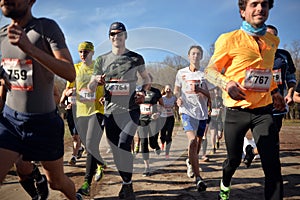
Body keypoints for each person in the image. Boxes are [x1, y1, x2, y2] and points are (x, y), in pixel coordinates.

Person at [0, 0, 82, 199]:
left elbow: (70, 73)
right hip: (11, 121)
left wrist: (30, 49)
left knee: (57, 182)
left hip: (44, 122)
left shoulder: (46, 27)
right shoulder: (2, 35)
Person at [204, 0, 285, 199]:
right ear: (242, 11)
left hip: (263, 111)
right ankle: (225, 184)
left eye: (264, 4)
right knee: (233, 160)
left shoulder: (272, 41)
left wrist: (275, 93)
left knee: (272, 164)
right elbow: (209, 71)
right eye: (254, 4)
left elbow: (266, 73)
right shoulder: (228, 39)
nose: (260, 8)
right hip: (235, 111)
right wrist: (227, 84)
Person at [87, 22, 149, 200]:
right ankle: (126, 183)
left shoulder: (136, 58)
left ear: (125, 36)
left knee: (123, 144)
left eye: (120, 33)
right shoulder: (101, 60)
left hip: (131, 110)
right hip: (110, 111)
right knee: (116, 149)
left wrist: (143, 92)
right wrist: (96, 80)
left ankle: (128, 186)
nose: (116, 36)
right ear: (109, 37)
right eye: (113, 34)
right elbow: (91, 87)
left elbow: (146, 79)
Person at [243, 24, 297, 168]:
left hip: (278, 104)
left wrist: (290, 94)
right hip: (259, 105)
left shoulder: (284, 56)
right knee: (269, 140)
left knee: (272, 138)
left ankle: (252, 151)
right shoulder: (253, 55)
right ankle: (271, 168)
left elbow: (291, 78)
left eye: (272, 36)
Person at [65, 41, 106, 196]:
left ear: (92, 52)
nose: (83, 54)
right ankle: (100, 164)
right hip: (80, 112)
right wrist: (69, 93)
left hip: (97, 110)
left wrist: (106, 96)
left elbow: (109, 85)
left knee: (90, 143)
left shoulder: (99, 68)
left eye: (86, 51)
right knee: (89, 147)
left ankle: (86, 183)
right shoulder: (75, 69)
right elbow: (68, 89)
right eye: (81, 51)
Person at [174, 45, 210, 192]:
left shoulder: (205, 74)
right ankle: (198, 178)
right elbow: (177, 90)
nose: (195, 56)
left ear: (201, 57)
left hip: (201, 113)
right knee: (192, 140)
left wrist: (200, 90)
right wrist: (178, 98)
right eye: (193, 54)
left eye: (198, 54)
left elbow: (211, 95)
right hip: (187, 112)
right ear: (189, 56)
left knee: (198, 143)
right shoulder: (181, 73)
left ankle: (190, 161)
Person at [138, 73, 164, 176]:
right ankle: (147, 166)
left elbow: (162, 105)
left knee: (152, 142)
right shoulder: (138, 91)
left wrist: (158, 113)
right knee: (143, 142)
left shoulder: (156, 91)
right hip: (141, 120)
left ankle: (156, 145)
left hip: (153, 120)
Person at [60, 77, 84, 166]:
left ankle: (73, 157)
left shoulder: (83, 90)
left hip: (81, 114)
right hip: (71, 115)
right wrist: (66, 106)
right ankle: (80, 148)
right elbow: (61, 103)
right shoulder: (66, 91)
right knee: (74, 136)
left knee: (77, 136)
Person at [160, 84, 177, 159]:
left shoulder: (174, 98)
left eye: (169, 89)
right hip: (162, 118)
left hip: (170, 118)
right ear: (165, 90)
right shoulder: (162, 98)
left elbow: (176, 106)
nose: (168, 90)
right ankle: (162, 142)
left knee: (169, 135)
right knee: (163, 134)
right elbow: (158, 106)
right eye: (167, 89)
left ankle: (167, 153)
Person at [209, 88, 224, 154]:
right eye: (215, 93)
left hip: (219, 118)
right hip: (212, 118)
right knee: (213, 134)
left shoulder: (220, 99)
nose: (216, 94)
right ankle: (213, 147)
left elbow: (223, 107)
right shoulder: (210, 100)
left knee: (219, 134)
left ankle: (217, 140)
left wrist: (221, 109)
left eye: (217, 93)